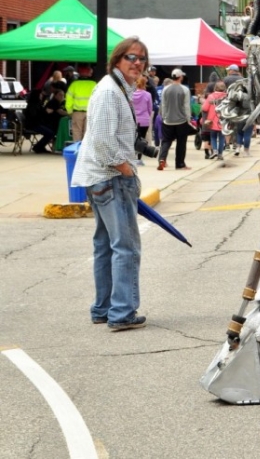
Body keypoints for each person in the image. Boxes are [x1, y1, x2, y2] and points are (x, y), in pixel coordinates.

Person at [71, 36, 150, 331]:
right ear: (117, 60)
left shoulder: (117, 90)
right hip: (111, 178)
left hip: (102, 178)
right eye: (131, 57)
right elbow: (104, 144)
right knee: (126, 247)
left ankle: (104, 309)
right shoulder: (109, 92)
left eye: (142, 59)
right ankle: (122, 313)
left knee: (106, 246)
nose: (138, 63)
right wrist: (126, 169)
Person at [157, 69, 193, 170]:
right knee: (181, 143)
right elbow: (186, 106)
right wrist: (188, 119)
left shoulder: (166, 89)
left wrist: (163, 116)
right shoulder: (184, 89)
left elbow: (163, 104)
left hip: (168, 120)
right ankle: (180, 164)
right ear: (180, 77)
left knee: (166, 141)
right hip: (181, 120)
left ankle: (162, 158)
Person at [66, 63, 96, 142]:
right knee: (88, 133)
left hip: (77, 112)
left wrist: (69, 111)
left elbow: (69, 99)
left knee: (77, 132)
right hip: (90, 113)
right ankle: (86, 152)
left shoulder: (74, 84)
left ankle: (77, 151)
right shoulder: (94, 84)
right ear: (89, 73)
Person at [23, 89, 56, 153]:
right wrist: (44, 112)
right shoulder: (33, 105)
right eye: (40, 94)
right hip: (33, 125)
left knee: (52, 129)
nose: (41, 96)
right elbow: (35, 116)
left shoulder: (37, 104)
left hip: (37, 124)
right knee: (50, 133)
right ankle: (38, 147)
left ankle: (40, 146)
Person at [203, 81, 228, 161]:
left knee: (213, 136)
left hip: (212, 120)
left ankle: (215, 151)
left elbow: (205, 108)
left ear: (215, 87)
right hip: (224, 120)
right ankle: (220, 154)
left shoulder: (211, 96)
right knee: (222, 137)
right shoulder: (227, 97)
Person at [131, 76, 153, 164]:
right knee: (142, 139)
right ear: (145, 84)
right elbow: (149, 108)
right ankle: (139, 158)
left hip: (134, 119)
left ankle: (132, 157)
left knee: (133, 138)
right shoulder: (148, 95)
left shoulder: (131, 94)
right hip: (144, 119)